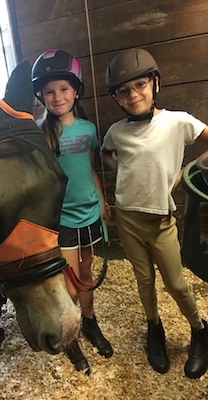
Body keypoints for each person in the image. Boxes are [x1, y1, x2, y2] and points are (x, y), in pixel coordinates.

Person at [100, 47, 208, 379]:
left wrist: (187, 169)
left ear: (155, 84)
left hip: (162, 220)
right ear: (117, 98)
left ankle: (200, 329)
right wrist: (123, 173)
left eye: (140, 85)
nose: (133, 95)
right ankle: (154, 329)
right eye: (124, 91)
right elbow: (106, 154)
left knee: (176, 283)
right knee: (143, 280)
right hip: (128, 218)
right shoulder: (117, 131)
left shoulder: (178, 121)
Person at [31, 49, 113, 375]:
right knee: (68, 285)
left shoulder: (88, 129)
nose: (57, 97)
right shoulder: (39, 133)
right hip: (61, 220)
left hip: (90, 213)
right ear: (42, 96)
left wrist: (103, 200)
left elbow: (91, 168)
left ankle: (90, 323)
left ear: (75, 91)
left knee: (87, 275)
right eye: (49, 91)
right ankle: (73, 335)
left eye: (63, 89)